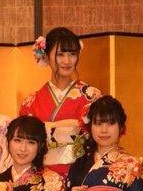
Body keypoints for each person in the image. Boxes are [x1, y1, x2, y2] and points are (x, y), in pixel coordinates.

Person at [20, 27, 101, 177]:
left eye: (72, 54)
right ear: (46, 56)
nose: (67, 61)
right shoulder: (30, 102)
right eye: (60, 54)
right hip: (42, 176)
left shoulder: (91, 96)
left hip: (82, 174)